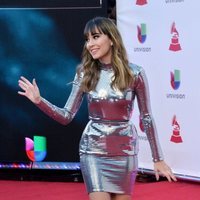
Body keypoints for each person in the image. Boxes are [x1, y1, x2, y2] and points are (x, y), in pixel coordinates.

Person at [18, 17, 177, 200]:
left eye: (95, 37)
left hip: (125, 152)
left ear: (111, 39)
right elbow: (66, 115)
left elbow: (146, 118)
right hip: (93, 151)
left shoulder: (135, 73)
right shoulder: (85, 73)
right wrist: (39, 101)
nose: (90, 44)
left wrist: (158, 159)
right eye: (87, 39)